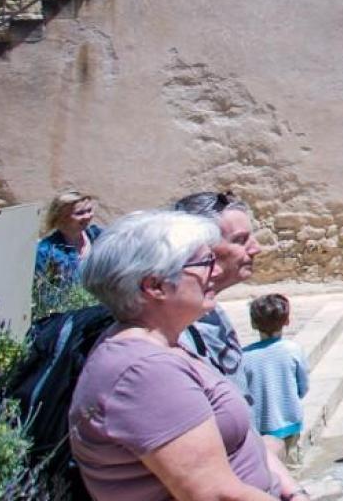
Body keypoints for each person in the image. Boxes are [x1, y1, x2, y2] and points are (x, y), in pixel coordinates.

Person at [69, 209, 308, 501]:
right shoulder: (144, 374)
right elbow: (215, 495)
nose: (217, 271)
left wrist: (293, 491)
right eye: (205, 263)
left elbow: (244, 439)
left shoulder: (163, 346)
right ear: (154, 285)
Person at [172, 192, 263, 386]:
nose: (256, 249)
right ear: (202, 248)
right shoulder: (178, 333)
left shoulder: (210, 311)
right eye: (240, 240)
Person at [240, 294, 310, 465]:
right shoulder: (293, 350)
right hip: (289, 421)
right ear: (287, 321)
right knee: (291, 468)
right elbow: (303, 387)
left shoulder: (244, 356)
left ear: (253, 323)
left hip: (259, 427)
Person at [35, 190, 104, 284]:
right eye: (80, 213)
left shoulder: (100, 237)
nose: (87, 216)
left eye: (89, 210)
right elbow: (43, 291)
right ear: (62, 217)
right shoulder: (46, 251)